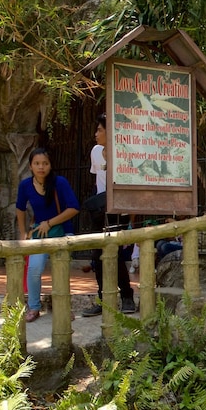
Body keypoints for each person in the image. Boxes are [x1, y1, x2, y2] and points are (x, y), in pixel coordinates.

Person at [16, 147, 80, 323]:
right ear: (30, 166)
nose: (41, 167)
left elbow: (74, 208)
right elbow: (20, 208)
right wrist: (23, 232)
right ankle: (34, 306)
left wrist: (50, 223)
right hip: (39, 233)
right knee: (34, 268)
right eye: (37, 163)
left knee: (61, 269)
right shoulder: (25, 185)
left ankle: (64, 307)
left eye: (45, 163)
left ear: (50, 165)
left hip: (61, 230)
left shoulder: (60, 182)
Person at [82, 113, 136, 316]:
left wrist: (130, 221)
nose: (96, 134)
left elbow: (129, 188)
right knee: (98, 256)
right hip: (100, 210)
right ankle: (103, 300)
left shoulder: (124, 155)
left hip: (119, 211)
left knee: (117, 255)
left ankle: (127, 297)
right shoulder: (96, 152)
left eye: (100, 130)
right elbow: (99, 182)